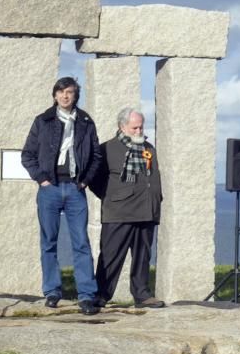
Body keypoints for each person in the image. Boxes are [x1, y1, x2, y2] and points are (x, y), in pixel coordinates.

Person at [21, 76, 102, 315]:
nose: (65, 96)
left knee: (81, 243)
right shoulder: (43, 120)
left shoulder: (86, 121)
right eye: (61, 92)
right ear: (55, 95)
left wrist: (85, 181)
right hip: (50, 188)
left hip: (76, 188)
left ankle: (86, 295)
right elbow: (28, 155)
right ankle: (52, 291)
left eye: (70, 92)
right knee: (49, 242)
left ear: (76, 95)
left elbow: (96, 156)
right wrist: (42, 179)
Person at [91, 107, 165, 309]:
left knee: (143, 256)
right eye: (135, 127)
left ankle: (142, 294)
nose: (139, 131)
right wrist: (113, 197)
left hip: (147, 210)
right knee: (111, 255)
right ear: (122, 127)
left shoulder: (149, 148)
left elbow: (153, 177)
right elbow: (95, 180)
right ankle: (100, 294)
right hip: (118, 211)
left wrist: (156, 198)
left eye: (141, 127)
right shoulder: (106, 149)